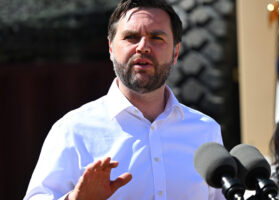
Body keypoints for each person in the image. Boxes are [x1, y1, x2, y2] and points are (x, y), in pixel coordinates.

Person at [24, 0, 225, 199]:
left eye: (156, 38)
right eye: (131, 37)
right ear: (111, 49)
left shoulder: (205, 131)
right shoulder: (72, 130)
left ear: (175, 53)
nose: (143, 47)